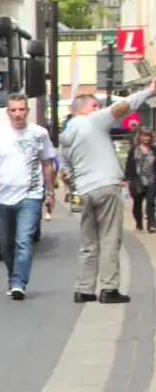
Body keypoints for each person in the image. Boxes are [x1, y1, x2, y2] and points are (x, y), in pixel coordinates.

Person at [58, 78, 156, 305]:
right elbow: (123, 107)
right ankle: (109, 288)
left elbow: (65, 169)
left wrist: (76, 183)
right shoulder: (92, 121)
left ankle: (84, 289)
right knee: (110, 238)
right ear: (81, 109)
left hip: (84, 190)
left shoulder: (65, 137)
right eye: (94, 105)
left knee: (88, 241)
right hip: (105, 185)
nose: (98, 108)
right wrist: (150, 90)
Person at [0, 94, 57, 300]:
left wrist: (50, 192)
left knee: (24, 240)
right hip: (4, 197)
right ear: (8, 112)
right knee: (6, 244)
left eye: (21, 110)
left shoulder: (39, 134)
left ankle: (18, 282)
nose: (17, 114)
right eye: (13, 110)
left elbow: (48, 163)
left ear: (27, 111)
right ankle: (13, 274)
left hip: (30, 195)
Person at [124, 129, 156, 233]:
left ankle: (151, 224)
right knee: (137, 203)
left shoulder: (154, 150)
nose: (146, 138)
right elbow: (129, 165)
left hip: (151, 180)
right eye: (144, 136)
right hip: (136, 180)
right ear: (140, 137)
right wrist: (127, 179)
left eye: (148, 136)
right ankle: (139, 223)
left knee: (151, 202)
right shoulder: (133, 150)